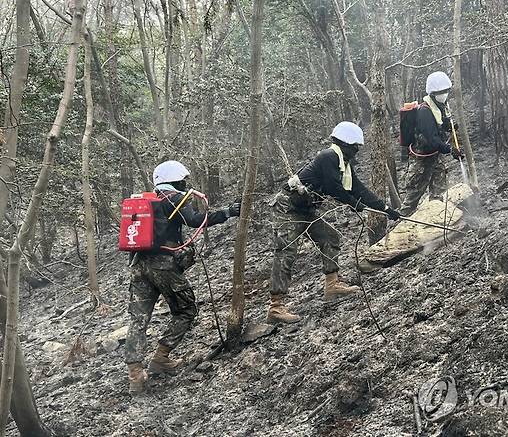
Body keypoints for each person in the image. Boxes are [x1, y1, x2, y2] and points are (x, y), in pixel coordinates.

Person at [268, 122, 400, 324]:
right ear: (346, 143)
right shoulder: (328, 157)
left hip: (306, 208)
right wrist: (354, 205)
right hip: (288, 208)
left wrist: (384, 208)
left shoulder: (343, 164)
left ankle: (332, 285)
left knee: (330, 237)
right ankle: (276, 307)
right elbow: (334, 188)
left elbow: (359, 189)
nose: (357, 151)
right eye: (355, 146)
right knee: (286, 252)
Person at [125, 160, 240, 394]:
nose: (186, 184)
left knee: (138, 320)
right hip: (164, 266)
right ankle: (161, 357)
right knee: (186, 310)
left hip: (138, 265)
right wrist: (228, 212)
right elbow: (196, 220)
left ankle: (135, 375)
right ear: (175, 179)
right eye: (183, 180)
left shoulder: (147, 201)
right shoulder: (173, 199)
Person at [399, 71, 463, 217]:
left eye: (446, 91)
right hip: (421, 160)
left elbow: (439, 125)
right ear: (433, 93)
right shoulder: (424, 111)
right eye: (440, 92)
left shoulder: (440, 106)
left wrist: (448, 125)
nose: (444, 94)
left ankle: (437, 223)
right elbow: (431, 139)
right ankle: (400, 224)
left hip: (435, 157)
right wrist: (450, 150)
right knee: (412, 198)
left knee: (439, 194)